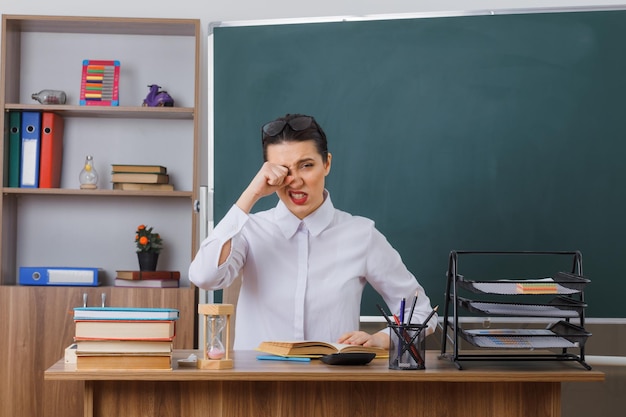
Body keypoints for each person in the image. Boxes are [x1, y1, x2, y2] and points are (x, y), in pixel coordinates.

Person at [189, 113, 437, 351]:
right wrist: (250, 195)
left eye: (306, 165)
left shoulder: (361, 234)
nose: (295, 181)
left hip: (331, 385)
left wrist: (383, 339)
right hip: (258, 386)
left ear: (327, 163)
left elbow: (421, 311)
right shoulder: (249, 230)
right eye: (283, 170)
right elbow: (204, 277)